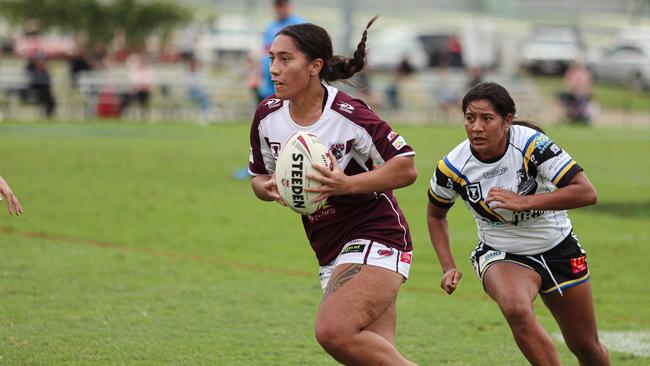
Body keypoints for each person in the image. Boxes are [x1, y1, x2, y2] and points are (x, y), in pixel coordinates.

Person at [248, 18, 417, 365]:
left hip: (377, 233)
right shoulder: (267, 116)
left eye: (285, 59)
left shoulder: (348, 113)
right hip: (327, 246)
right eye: (271, 59)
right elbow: (258, 178)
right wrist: (271, 188)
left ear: (314, 66)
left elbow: (405, 166)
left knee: (333, 331)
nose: (275, 70)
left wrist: (346, 184)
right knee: (371, 353)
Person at [426, 82, 610, 365]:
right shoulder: (452, 167)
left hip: (558, 247)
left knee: (587, 347)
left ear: (507, 120)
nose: (476, 127)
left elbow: (587, 192)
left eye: (486, 119)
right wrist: (448, 265)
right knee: (515, 309)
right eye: (469, 118)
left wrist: (523, 201)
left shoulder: (533, 145)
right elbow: (435, 214)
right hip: (502, 253)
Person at [254, 0, 305, 103]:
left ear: (289, 5)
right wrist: (257, 75)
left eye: (283, 5)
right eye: (278, 5)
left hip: (287, 78)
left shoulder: (299, 24)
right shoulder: (271, 26)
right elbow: (265, 52)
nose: (280, 8)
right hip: (269, 79)